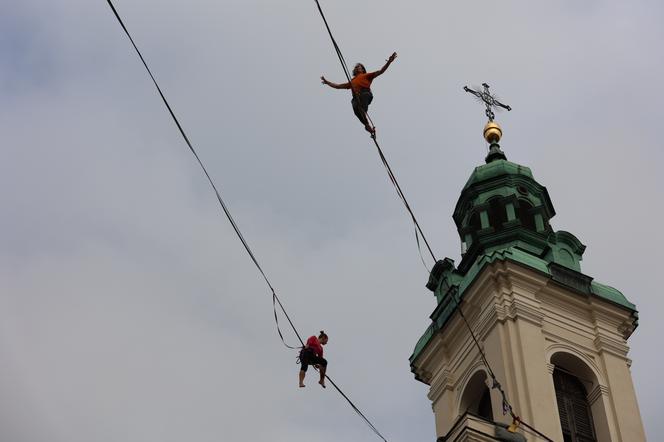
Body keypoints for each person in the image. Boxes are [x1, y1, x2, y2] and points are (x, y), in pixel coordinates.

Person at [321, 52, 398, 136]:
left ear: (363, 70)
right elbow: (338, 86)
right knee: (354, 105)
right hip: (356, 98)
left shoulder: (366, 75)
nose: (357, 68)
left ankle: (363, 112)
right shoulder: (352, 81)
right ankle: (367, 125)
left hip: (365, 93)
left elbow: (381, 71)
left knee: (362, 100)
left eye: (359, 67)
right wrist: (327, 82)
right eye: (356, 67)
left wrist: (389, 62)